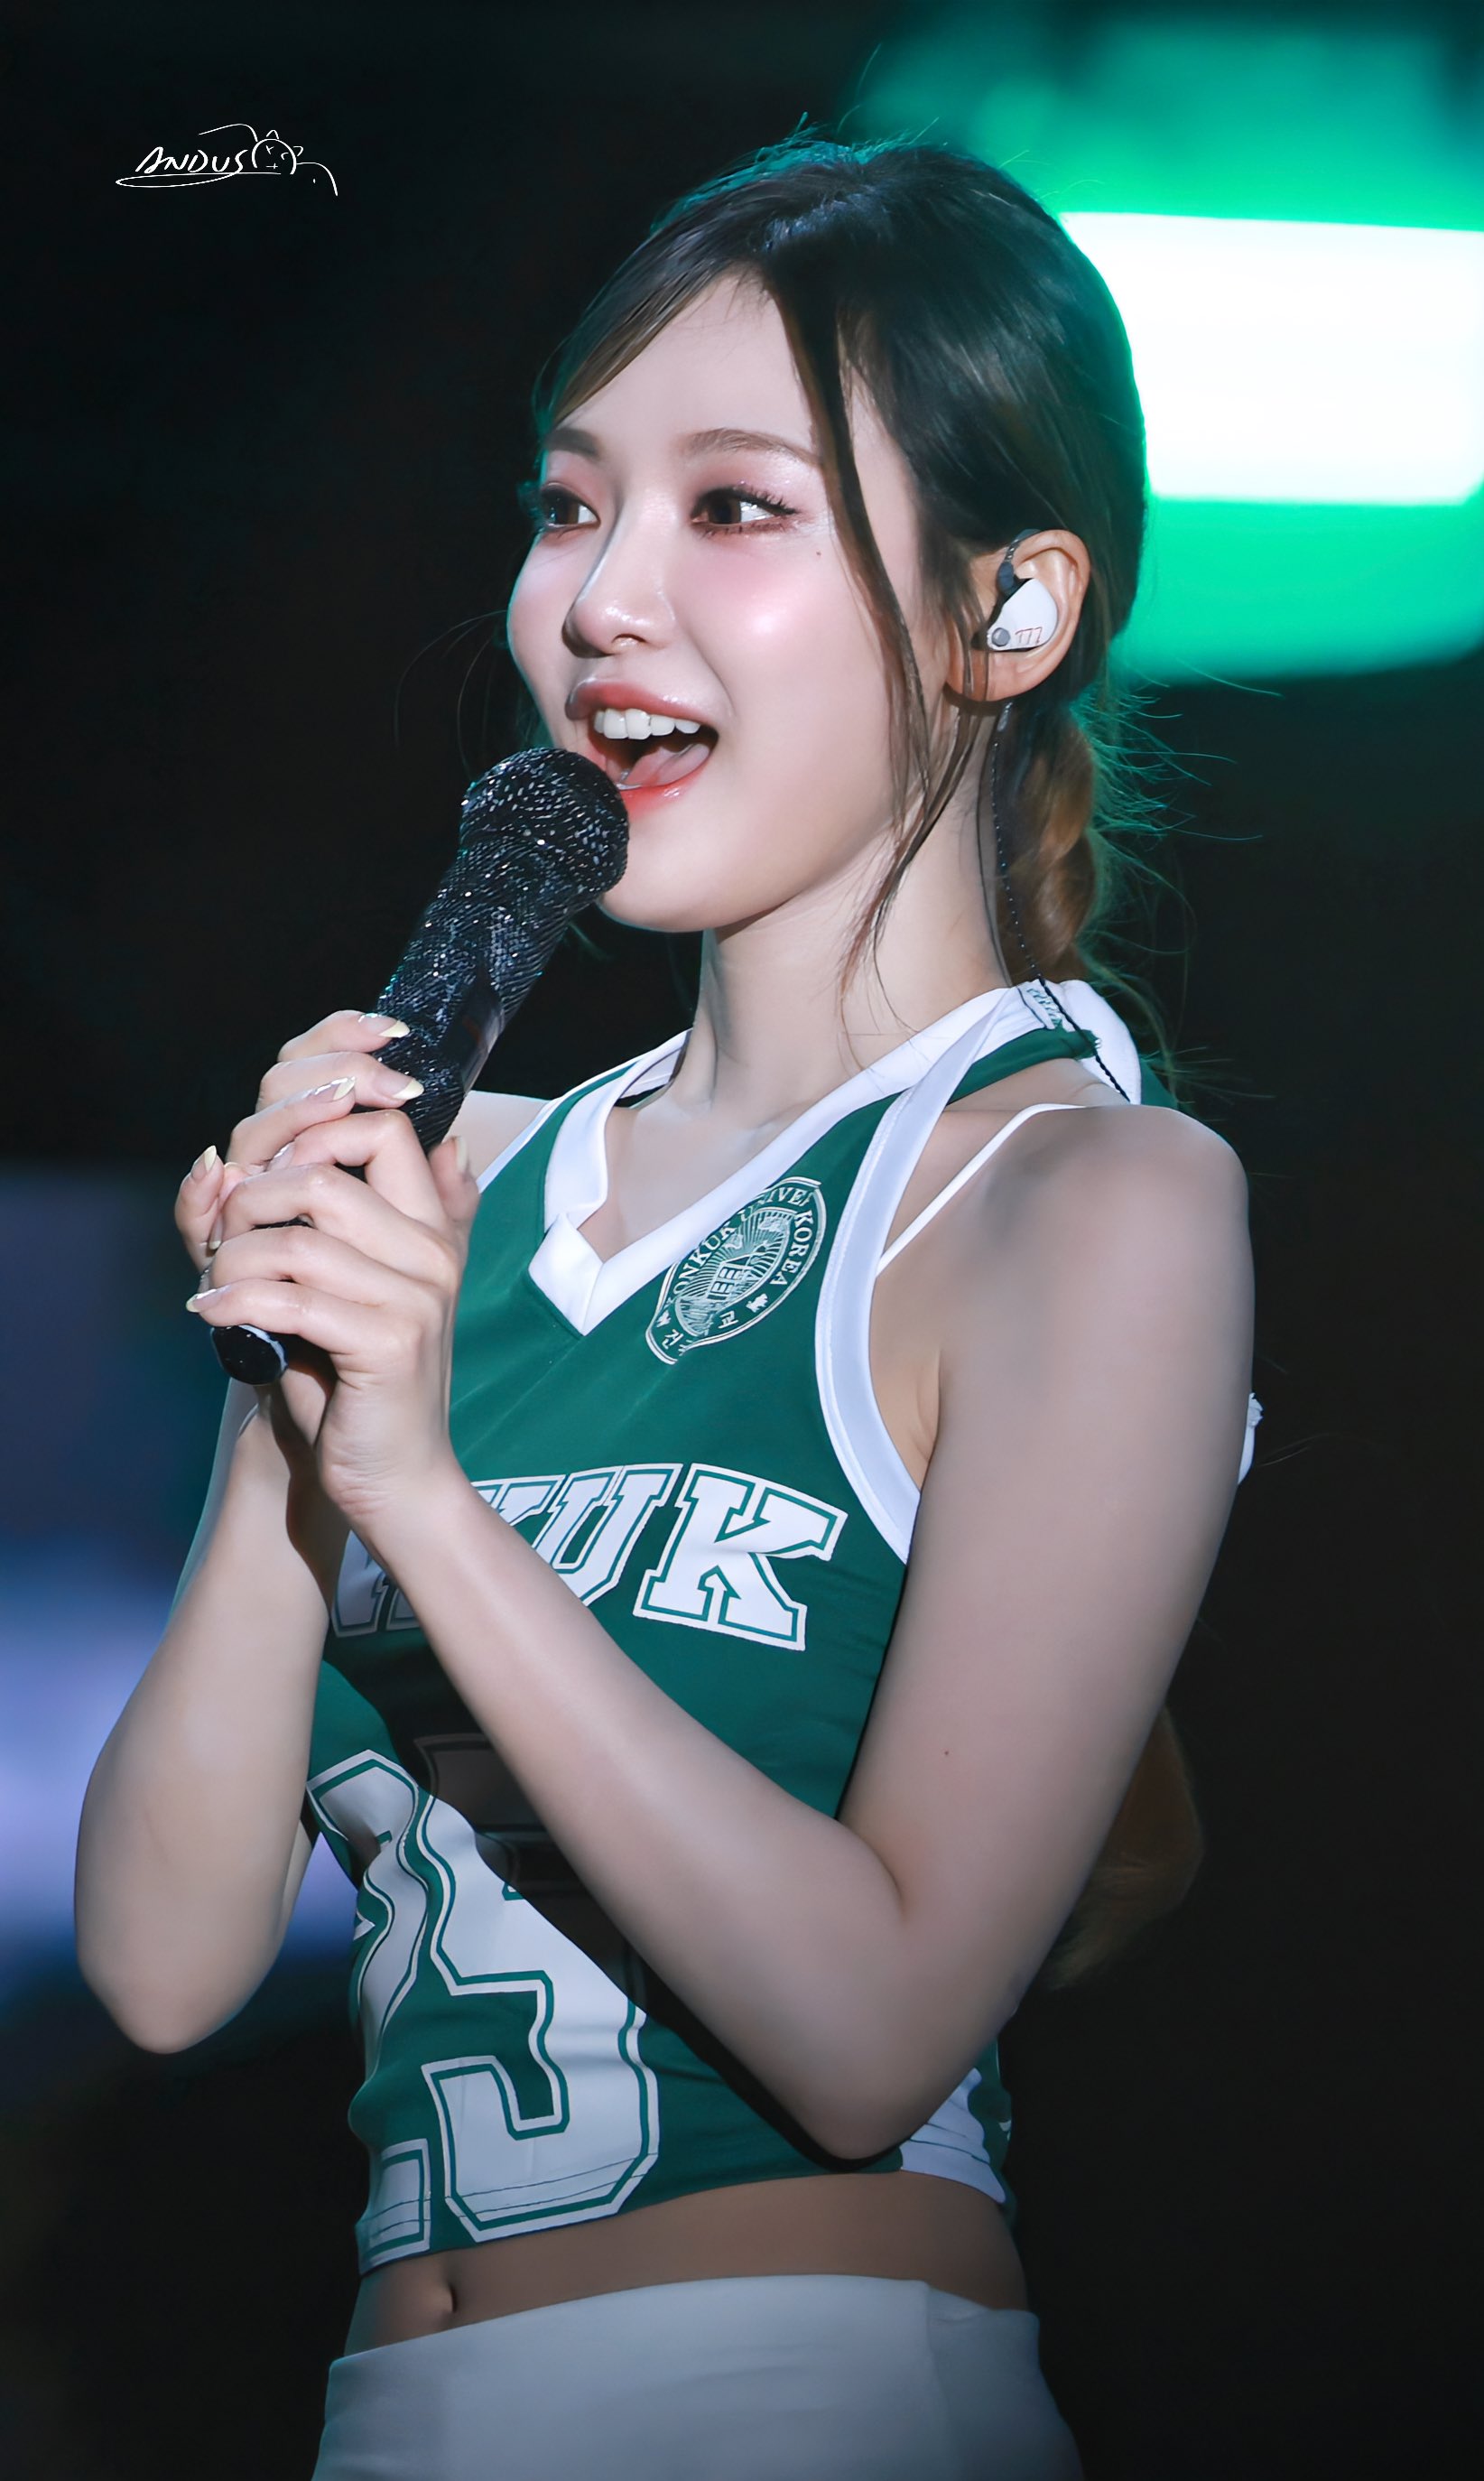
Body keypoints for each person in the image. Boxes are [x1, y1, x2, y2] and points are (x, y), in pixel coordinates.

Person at [76, 134, 1259, 2479]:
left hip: (806, 2394)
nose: (601, 598)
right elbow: (163, 1963)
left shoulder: (1083, 1194)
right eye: (567, 504)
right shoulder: (462, 1187)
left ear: (1009, 611)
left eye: (733, 508)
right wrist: (291, 1392)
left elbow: (872, 2024)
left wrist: (424, 1485)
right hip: (391, 2405)